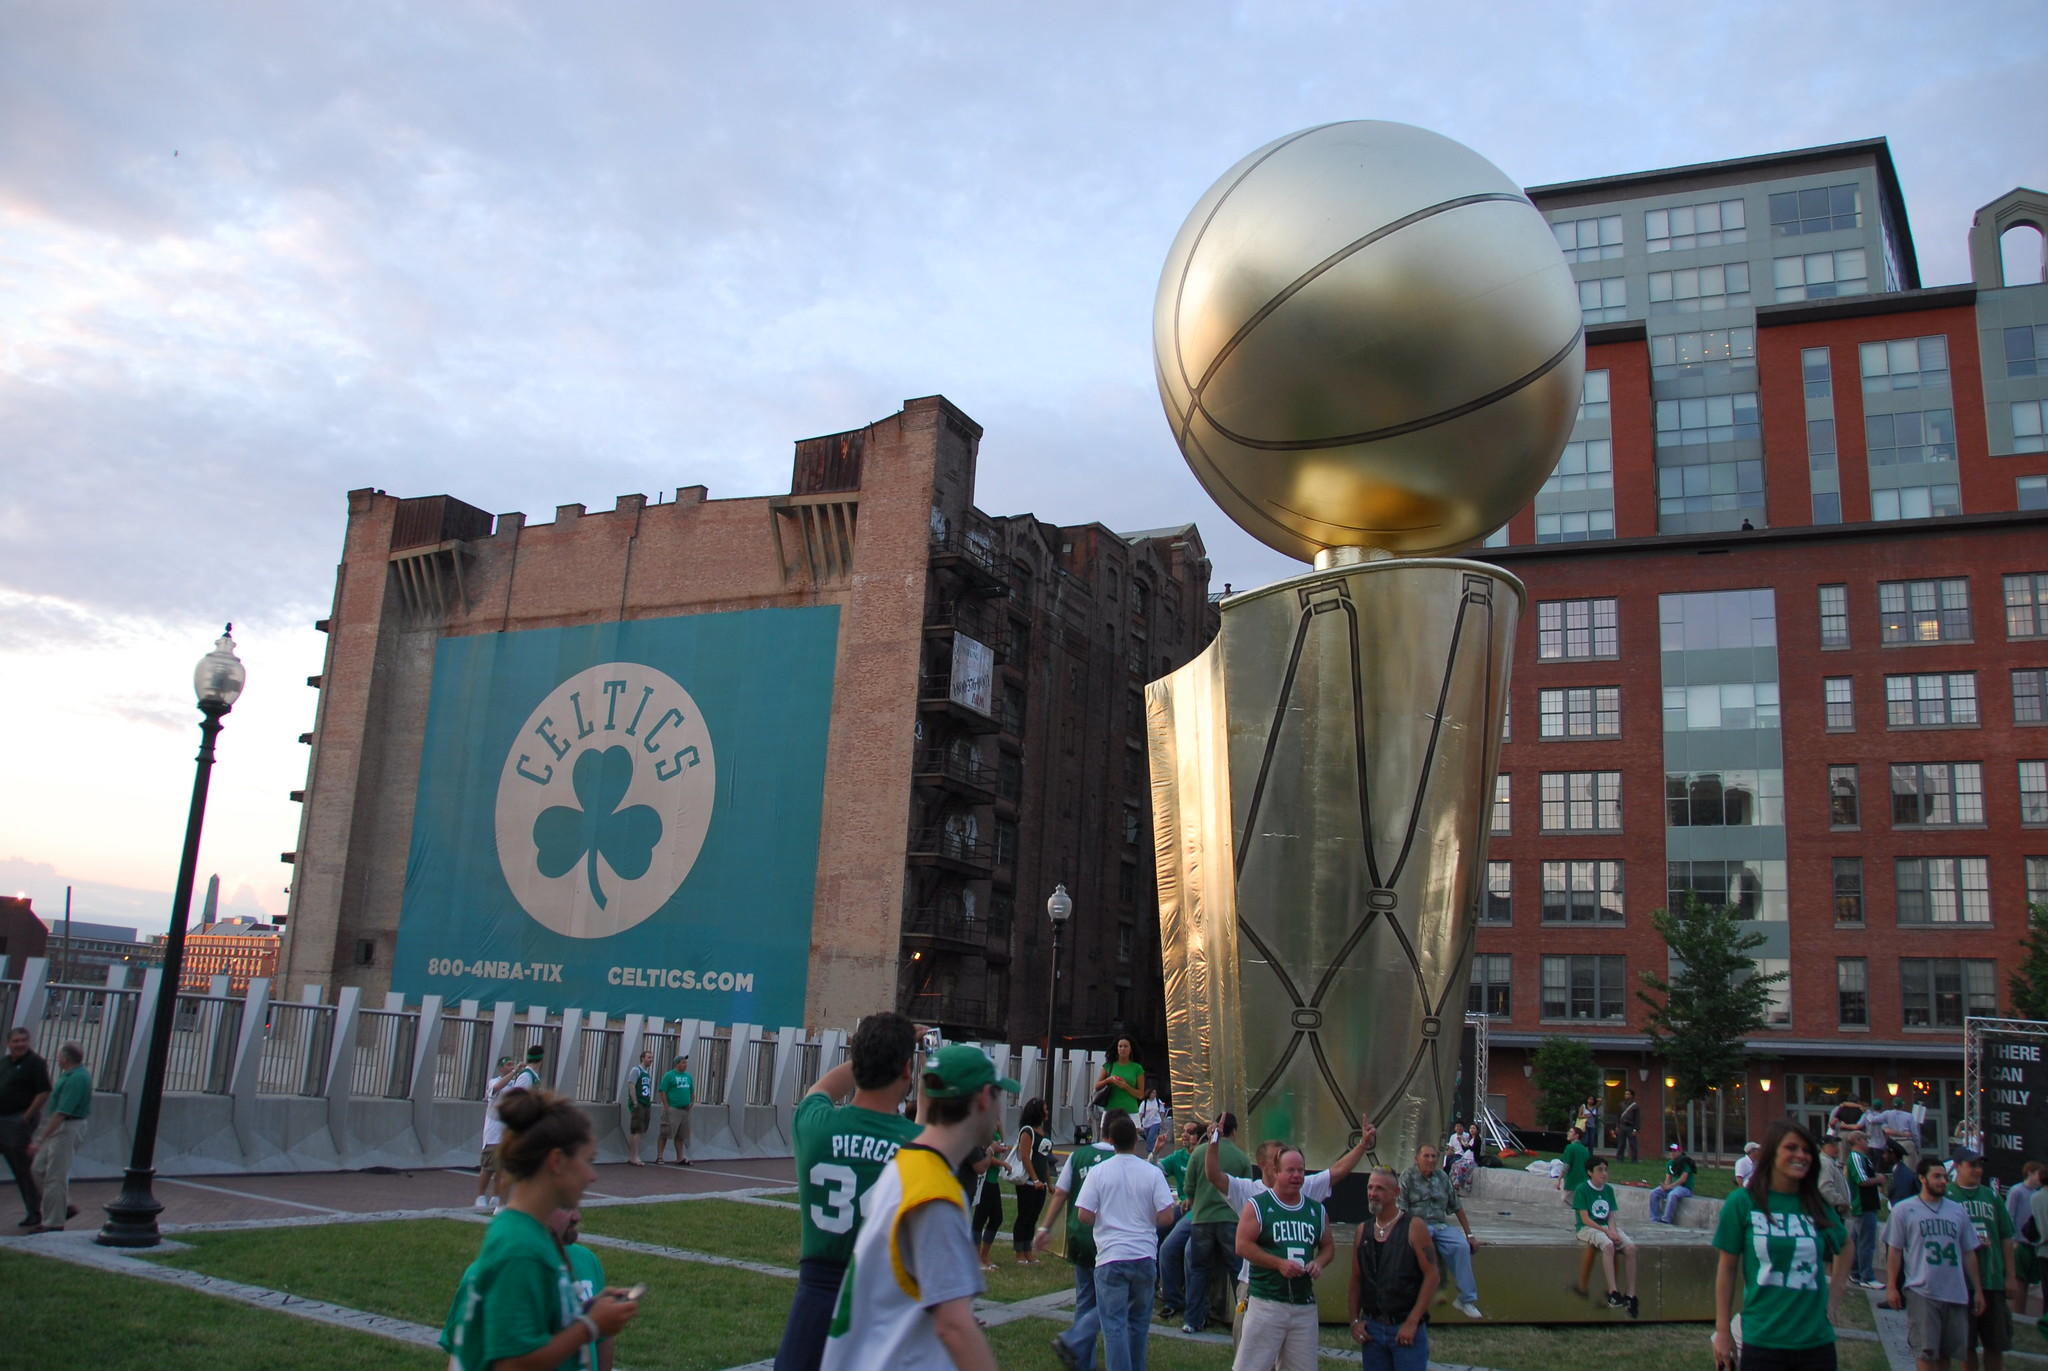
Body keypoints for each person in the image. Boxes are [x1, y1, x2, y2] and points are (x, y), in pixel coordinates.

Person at [820, 1043, 1018, 1371]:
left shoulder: (907, 1163)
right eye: (1000, 1097)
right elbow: (954, 1325)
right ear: (984, 1097)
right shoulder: (935, 1191)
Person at [439, 1088, 639, 1369]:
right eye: (587, 1161)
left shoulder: (531, 1238)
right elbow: (512, 1364)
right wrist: (590, 1327)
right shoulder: (520, 1249)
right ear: (556, 1162)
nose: (592, 1176)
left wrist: (589, 1311)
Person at [776, 1011, 922, 1371]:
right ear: (907, 1070)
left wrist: (870, 1053)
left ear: (857, 1062)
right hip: (881, 1299)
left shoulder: (816, 1125)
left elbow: (821, 1089)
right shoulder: (918, 1146)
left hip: (815, 1296)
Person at [1196, 1112, 1376, 1333]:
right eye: (1277, 1160)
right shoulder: (1249, 1191)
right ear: (1263, 1164)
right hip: (1256, 1287)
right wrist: (1214, 1141)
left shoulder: (1301, 1187)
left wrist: (1362, 1145)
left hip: (1295, 1291)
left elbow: (1337, 1172)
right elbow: (1214, 1175)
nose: (1288, 1167)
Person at [1711, 1120, 1846, 1371]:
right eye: (1791, 1148)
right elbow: (1727, 1269)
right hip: (1763, 1339)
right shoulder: (1742, 1202)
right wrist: (1722, 1330)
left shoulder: (1815, 1203)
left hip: (1815, 1342)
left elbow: (1846, 1246)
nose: (1801, 1155)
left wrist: (1834, 1298)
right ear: (1772, 1153)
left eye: (1806, 1150)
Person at [1073, 1112, 1178, 1371]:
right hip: (1143, 1255)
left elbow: (1084, 1214)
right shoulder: (1151, 1172)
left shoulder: (1098, 1173)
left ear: (1110, 1140)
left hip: (1111, 1255)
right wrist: (1143, 1220)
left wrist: (1106, 1217)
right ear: (1135, 1140)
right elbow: (1167, 1215)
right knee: (1139, 1325)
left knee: (1114, 1325)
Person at [1232, 1146, 1331, 1371]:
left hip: (1303, 1304)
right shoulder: (1259, 1205)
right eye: (1290, 1170)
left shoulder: (1315, 1210)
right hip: (1267, 1300)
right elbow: (1242, 1245)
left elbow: (1328, 1247)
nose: (1297, 1176)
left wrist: (1319, 1262)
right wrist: (1278, 1263)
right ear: (1276, 1172)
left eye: (1301, 1171)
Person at [1884, 1156, 1986, 1371]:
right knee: (1926, 1351)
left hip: (1954, 1291)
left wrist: (1977, 1290)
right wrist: (1892, 1286)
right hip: (1923, 1290)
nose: (1942, 1181)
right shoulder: (1904, 1209)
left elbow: (1969, 1252)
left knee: (1946, 1354)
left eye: (1945, 1177)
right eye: (1936, 1176)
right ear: (1922, 1178)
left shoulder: (1957, 1210)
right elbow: (1895, 1250)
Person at [1035, 1114, 1117, 1371]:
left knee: (1085, 1299)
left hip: (1078, 1235)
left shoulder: (1077, 1157)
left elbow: (1061, 1192)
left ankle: (1084, 1362)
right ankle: (1076, 1340)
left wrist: (1045, 1226)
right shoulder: (1120, 1160)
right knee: (1114, 1301)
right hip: (1107, 1239)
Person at [1349, 1167, 1440, 1371]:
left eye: (1380, 1188)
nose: (1373, 1193)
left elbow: (1432, 1275)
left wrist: (1412, 1321)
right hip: (1372, 1329)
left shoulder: (1414, 1227)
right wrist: (1354, 1320)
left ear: (1396, 1192)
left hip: (1404, 1328)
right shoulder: (1362, 1231)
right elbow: (1356, 1279)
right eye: (1370, 1187)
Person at [1182, 1111, 1255, 1333]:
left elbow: (1189, 1189)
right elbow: (1247, 1193)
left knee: (1199, 1271)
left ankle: (1192, 1320)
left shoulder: (1199, 1153)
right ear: (1234, 1131)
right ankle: (1243, 1321)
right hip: (1231, 1222)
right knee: (1237, 1273)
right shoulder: (1242, 1158)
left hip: (1202, 1220)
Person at [1946, 1149, 2016, 1371]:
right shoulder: (1948, 1195)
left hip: (1992, 1277)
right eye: (1972, 1165)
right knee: (1966, 1344)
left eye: (1979, 1165)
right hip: (1960, 1281)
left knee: (1995, 1343)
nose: (1977, 1170)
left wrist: (2010, 1276)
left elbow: (2006, 1236)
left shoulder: (1990, 1196)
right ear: (1957, 1166)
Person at [1397, 1143, 1483, 1319]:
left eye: (1434, 1156)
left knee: (1460, 1246)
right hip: (1416, 1225)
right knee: (1425, 1244)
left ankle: (1465, 1299)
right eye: (1426, 1156)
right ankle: (1417, 1295)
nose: (1430, 1160)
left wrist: (1470, 1235)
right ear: (1417, 1158)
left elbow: (1456, 1207)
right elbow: (1401, 1209)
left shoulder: (1442, 1177)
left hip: (1440, 1225)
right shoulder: (1408, 1176)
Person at [25, 1041, 89, 1232]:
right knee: (38, 1168)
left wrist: (39, 1139)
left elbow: (61, 1113)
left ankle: (53, 1222)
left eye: (59, 1055)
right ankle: (64, 1206)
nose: (57, 1058)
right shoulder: (71, 1075)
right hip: (61, 1126)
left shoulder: (76, 1079)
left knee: (55, 1175)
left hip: (66, 1127)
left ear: (65, 1058)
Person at [0, 1026, 54, 1227]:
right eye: (16, 1041)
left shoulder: (35, 1063)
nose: (20, 1044)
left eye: (23, 1040)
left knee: (22, 1168)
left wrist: (27, 1116)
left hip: (18, 1121)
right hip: (1, 1119)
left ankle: (34, 1211)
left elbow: (43, 1092)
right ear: (9, 1043)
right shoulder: (4, 1063)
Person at [1153, 1118, 1204, 1325]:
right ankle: (1156, 1286)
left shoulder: (1205, 1157)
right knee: (1155, 1231)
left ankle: (1177, 1300)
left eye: (1190, 1132)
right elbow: (1155, 1170)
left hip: (1198, 1212)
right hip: (1183, 1208)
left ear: (1200, 1137)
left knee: (1172, 1248)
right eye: (1183, 1131)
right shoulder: (1179, 1156)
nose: (1185, 1135)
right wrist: (1155, 1152)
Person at [1572, 1157, 1638, 1316]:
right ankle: (1613, 1292)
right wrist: (1607, 1233)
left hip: (1606, 1227)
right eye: (1600, 1170)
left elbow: (1610, 1216)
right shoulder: (1582, 1189)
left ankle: (1631, 1294)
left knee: (1630, 1248)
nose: (1604, 1173)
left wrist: (1613, 1231)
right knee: (1608, 1246)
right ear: (1590, 1172)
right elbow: (1585, 1218)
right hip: (1587, 1228)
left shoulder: (1608, 1190)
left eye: (1605, 1170)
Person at [556, 1208, 616, 1371]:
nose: (576, 1217)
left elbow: (602, 1340)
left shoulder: (585, 1258)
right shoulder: (512, 1272)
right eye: (565, 1206)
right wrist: (588, 1325)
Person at [1817, 1133, 1856, 1325]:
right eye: (1832, 1144)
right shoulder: (1824, 1163)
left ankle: (1834, 1283)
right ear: (1823, 1146)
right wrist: (1840, 1202)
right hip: (1830, 1213)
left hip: (1834, 1212)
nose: (1836, 1147)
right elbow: (1824, 1188)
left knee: (1837, 1250)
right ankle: (1832, 1283)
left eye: (1836, 1144)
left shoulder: (1831, 1163)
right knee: (1835, 1250)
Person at [1012, 1096, 1054, 1265]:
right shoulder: (1027, 1131)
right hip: (1028, 1183)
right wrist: (1035, 1179)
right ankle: (1019, 1252)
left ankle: (1028, 1250)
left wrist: (1048, 1183)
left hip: (1041, 1183)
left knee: (1033, 1217)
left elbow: (1044, 1159)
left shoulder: (1044, 1132)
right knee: (1024, 1216)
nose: (1047, 1112)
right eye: (1045, 1108)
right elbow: (1025, 1157)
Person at [476, 1055, 521, 1210]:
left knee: (502, 1168)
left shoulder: (515, 1085)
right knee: (488, 1167)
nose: (511, 1067)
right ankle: (481, 1196)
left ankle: (496, 1197)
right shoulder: (494, 1082)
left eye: (513, 1064)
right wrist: (514, 1073)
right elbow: (496, 1089)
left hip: (507, 1133)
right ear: (501, 1067)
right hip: (493, 1133)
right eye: (508, 1065)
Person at [1848, 1131, 1887, 1288]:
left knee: (1858, 1240)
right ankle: (1867, 1277)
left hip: (1868, 1204)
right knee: (1866, 1243)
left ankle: (1856, 1272)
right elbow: (1862, 1180)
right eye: (1865, 1138)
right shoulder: (1856, 1157)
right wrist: (1879, 1179)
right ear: (1857, 1140)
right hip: (1863, 1205)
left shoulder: (1864, 1158)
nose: (1867, 1142)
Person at [968, 1124, 1007, 1273]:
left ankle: (984, 1256)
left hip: (993, 1180)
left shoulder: (994, 1126)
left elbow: (1000, 1143)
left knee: (997, 1218)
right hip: (984, 1180)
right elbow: (983, 1157)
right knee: (980, 1219)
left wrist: (1000, 1128)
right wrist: (1002, 1162)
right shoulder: (982, 1130)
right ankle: (976, 1258)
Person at [2007, 1161, 2042, 1318]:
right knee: (2020, 1282)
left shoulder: (2038, 1194)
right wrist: (2013, 1240)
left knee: (2030, 1281)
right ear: (2030, 1173)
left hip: (2034, 1245)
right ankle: (2018, 1315)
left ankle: (2026, 1315)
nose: (2040, 1178)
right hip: (2020, 1244)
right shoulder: (2016, 1191)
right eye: (2037, 1174)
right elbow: (2009, 1215)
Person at [1094, 1039, 1144, 1131]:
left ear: (1130, 1049)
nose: (1122, 1049)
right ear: (1116, 1049)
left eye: (1126, 1046)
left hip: (1130, 1110)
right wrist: (1108, 1080)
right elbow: (1097, 1086)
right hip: (1111, 1110)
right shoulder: (1108, 1066)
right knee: (1107, 1142)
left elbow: (1140, 1094)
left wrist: (1125, 1086)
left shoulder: (1137, 1068)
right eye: (1120, 1046)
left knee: (1129, 1143)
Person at [658, 1054, 694, 1166]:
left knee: (681, 1135)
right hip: (673, 1108)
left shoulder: (688, 1077)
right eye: (683, 1062)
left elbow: (691, 1091)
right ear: (677, 1064)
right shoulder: (669, 1076)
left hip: (684, 1110)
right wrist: (666, 1106)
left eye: (686, 1063)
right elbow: (662, 1091)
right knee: (665, 1132)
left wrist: (691, 1102)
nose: (685, 1065)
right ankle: (660, 1156)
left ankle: (680, 1157)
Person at [1650, 1141, 1698, 1224]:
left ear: (1679, 1152)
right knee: (1654, 1193)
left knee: (1672, 1195)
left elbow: (1683, 1179)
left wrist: (1669, 1187)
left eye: (1674, 1151)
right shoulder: (1669, 1163)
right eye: (1671, 1151)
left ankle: (1666, 1219)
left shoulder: (1686, 1162)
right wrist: (1665, 1186)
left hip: (1685, 1188)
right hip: (1673, 1187)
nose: (1672, 1153)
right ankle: (1655, 1218)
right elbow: (1668, 1178)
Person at [623, 1049, 655, 1166]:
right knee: (636, 1130)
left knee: (640, 1130)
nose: (651, 1060)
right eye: (649, 1057)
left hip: (646, 1103)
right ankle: (634, 1156)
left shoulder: (647, 1073)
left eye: (651, 1058)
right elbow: (631, 1085)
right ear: (642, 1058)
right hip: (639, 1103)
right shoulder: (636, 1070)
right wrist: (635, 1101)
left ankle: (634, 1155)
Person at [1557, 1126, 1591, 1206]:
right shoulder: (1584, 1150)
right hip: (1584, 1181)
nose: (1568, 1133)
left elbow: (1566, 1166)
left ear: (1577, 1135)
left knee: (1566, 1199)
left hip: (1572, 1181)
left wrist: (1559, 1179)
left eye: (1571, 1132)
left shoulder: (1570, 1147)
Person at [1137, 1089, 1168, 1156]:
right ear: (1149, 1094)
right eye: (1153, 1093)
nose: (1154, 1094)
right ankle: (1153, 1147)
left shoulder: (1157, 1101)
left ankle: (1151, 1153)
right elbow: (1141, 1114)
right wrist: (1138, 1123)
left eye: (1155, 1093)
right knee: (1149, 1138)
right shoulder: (1144, 1103)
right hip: (1146, 1123)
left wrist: (1162, 1121)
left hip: (1156, 1122)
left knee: (1150, 1137)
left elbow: (1162, 1111)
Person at [1615, 1090, 1641, 1163]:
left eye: (1628, 1094)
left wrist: (1635, 1129)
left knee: (1633, 1144)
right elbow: (1618, 1116)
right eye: (1625, 1094)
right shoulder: (1621, 1104)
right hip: (1622, 1126)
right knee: (1621, 1143)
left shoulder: (1635, 1106)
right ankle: (1619, 1159)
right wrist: (1617, 1126)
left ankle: (1634, 1159)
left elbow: (1637, 1118)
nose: (1626, 1095)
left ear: (1631, 1095)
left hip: (1631, 1127)